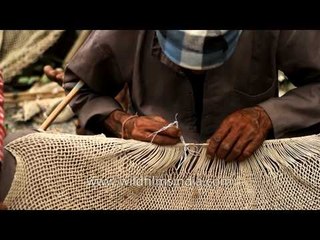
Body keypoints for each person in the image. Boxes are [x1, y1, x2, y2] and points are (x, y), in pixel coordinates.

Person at [62, 30, 320, 162]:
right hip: (157, 168)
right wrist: (122, 123)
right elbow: (81, 86)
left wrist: (267, 116)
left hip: (251, 167)